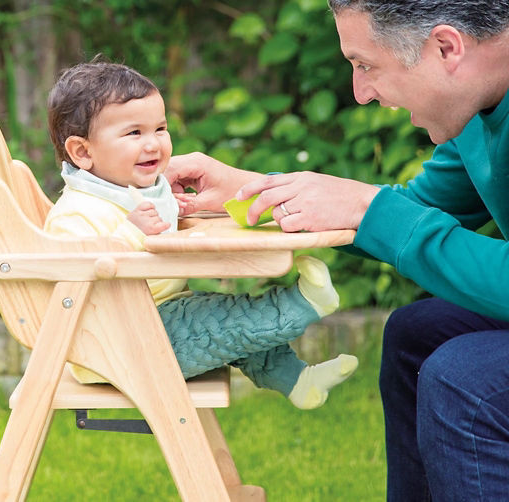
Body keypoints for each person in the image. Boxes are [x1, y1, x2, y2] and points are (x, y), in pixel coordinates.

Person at [167, 0, 509, 500]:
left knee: (468, 384)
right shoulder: (496, 60)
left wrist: (368, 209)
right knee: (416, 337)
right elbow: (416, 211)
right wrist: (251, 190)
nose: (361, 93)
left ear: (444, 46)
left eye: (365, 66)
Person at [44, 59, 358, 409]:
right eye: (135, 133)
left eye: (160, 129)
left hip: (154, 317)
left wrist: (175, 213)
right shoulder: (74, 213)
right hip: (118, 345)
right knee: (223, 321)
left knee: (224, 327)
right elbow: (74, 274)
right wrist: (130, 232)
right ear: (83, 152)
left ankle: (298, 381)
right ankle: (300, 306)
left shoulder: (131, 189)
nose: (153, 144)